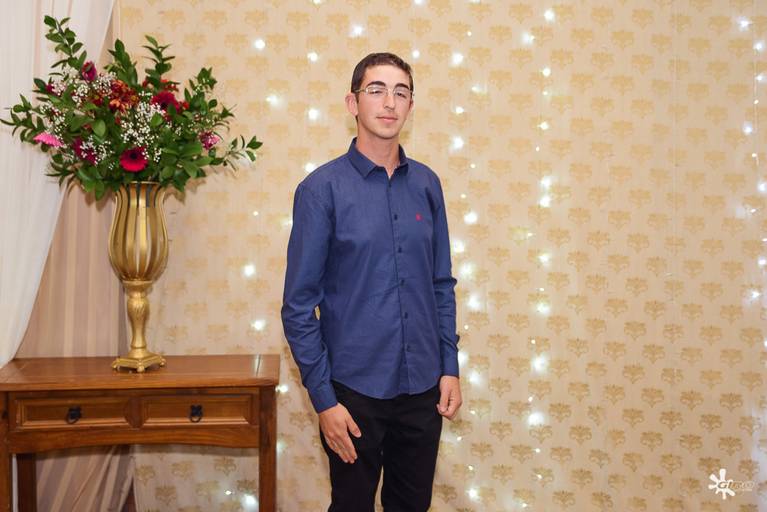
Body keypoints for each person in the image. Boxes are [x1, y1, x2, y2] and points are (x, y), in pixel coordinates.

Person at [281, 52, 462, 512]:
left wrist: (449, 367)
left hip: (423, 387)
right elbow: (298, 307)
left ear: (411, 106)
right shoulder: (320, 190)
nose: (389, 102)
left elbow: (441, 283)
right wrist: (324, 401)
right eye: (376, 90)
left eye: (401, 92)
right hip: (353, 392)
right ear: (353, 103)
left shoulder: (427, 185)